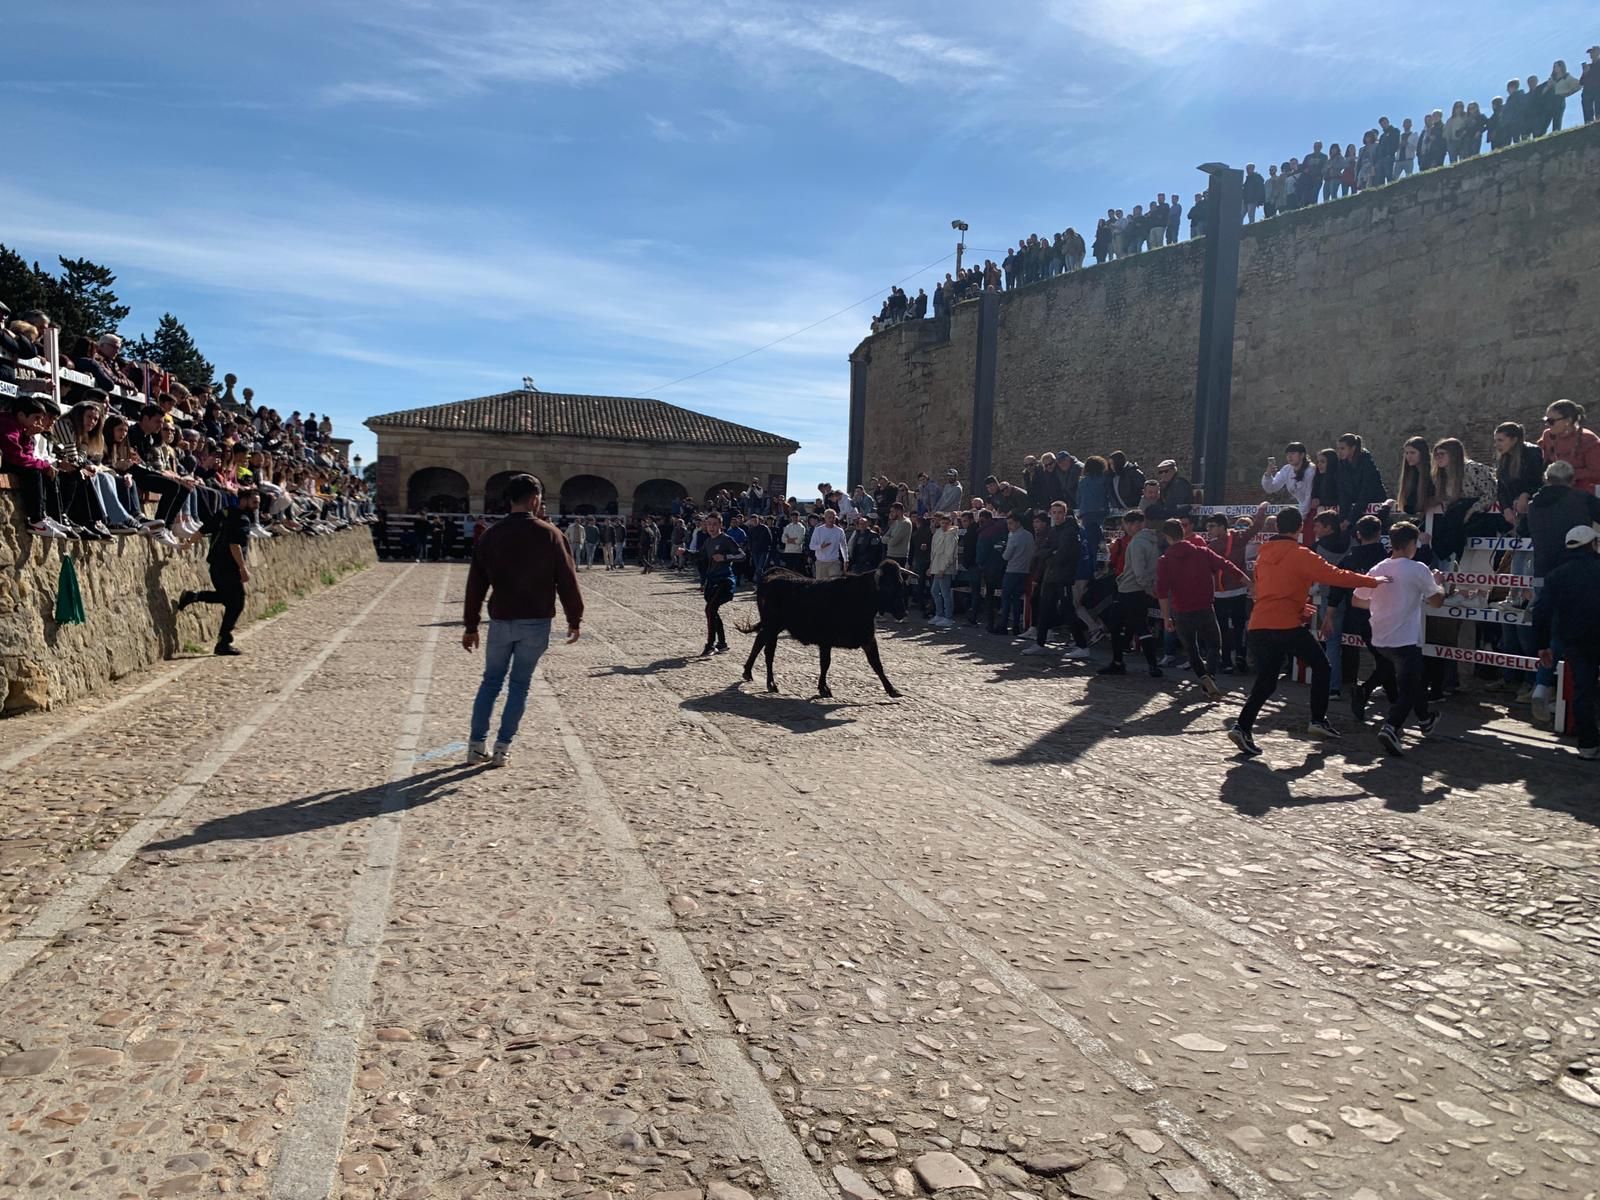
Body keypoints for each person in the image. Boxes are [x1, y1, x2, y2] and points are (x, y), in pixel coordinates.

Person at [1226, 506, 1384, 757]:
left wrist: (1299, 606)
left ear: (1278, 527)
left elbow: (1267, 590)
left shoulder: (1263, 554)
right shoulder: (1301, 554)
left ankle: (1242, 726)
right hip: (1285, 624)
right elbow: (1336, 575)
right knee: (1322, 666)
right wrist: (1373, 582)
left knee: (1266, 682)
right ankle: (1317, 720)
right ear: (1301, 528)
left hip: (1259, 623)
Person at [461, 474, 582, 767]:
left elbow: (475, 584)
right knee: (519, 685)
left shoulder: (490, 535)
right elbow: (567, 580)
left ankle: (476, 745)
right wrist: (574, 618)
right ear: (535, 499)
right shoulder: (551, 534)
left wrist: (471, 626)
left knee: (490, 682)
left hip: (501, 620)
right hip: (536, 621)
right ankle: (502, 748)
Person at [1352, 522, 1445, 755]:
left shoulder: (1377, 568)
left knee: (1412, 681)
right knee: (1409, 687)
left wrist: (1381, 604)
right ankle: (1391, 727)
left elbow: (1357, 600)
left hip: (1380, 637)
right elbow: (1436, 601)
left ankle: (1425, 720)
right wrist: (1440, 584)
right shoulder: (1418, 569)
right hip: (1405, 638)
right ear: (1412, 544)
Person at [1156, 518, 1247, 699]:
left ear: (1167, 537)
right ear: (1183, 533)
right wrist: (1249, 582)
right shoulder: (1202, 552)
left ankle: (1204, 677)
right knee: (1214, 645)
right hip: (1205, 607)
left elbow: (1162, 592)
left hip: (1181, 610)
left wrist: (1166, 617)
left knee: (1191, 649)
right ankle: (1210, 677)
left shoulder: (1164, 560)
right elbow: (1227, 566)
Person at [1535, 525, 1600, 760]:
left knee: (1583, 690)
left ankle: (1588, 745)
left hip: (1575, 640)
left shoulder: (1557, 575)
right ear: (1592, 544)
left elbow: (1540, 612)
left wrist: (1543, 645)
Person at [176, 487, 262, 656]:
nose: (257, 506)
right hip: (229, 566)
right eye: (254, 502)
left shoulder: (225, 512)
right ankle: (224, 641)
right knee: (237, 602)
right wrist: (243, 568)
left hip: (216, 565)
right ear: (243, 500)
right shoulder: (242, 519)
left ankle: (194, 596)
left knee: (228, 599)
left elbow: (203, 529)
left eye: (258, 503)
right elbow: (234, 545)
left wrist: (189, 543)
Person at [1024, 500, 1091, 659]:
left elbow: (1063, 554)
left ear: (1065, 513)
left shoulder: (1070, 531)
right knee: (1044, 608)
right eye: (1054, 512)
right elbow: (1043, 550)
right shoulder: (1053, 531)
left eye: (1060, 512)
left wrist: (1051, 554)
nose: (1057, 515)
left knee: (1068, 610)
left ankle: (1082, 645)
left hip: (1063, 576)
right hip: (1050, 575)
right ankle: (1040, 643)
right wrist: (1050, 554)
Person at [1100, 509, 1162, 676]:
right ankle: (1151, 665)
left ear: (1134, 524)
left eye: (1127, 524)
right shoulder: (1153, 541)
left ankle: (1119, 662)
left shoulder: (1136, 543)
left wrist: (1147, 588)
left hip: (1130, 589)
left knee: (1117, 625)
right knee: (1139, 625)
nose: (1126, 527)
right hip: (1142, 590)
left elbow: (1138, 571)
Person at [697, 512, 745, 656]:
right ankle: (722, 643)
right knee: (713, 612)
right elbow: (699, 556)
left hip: (725, 581)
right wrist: (684, 552)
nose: (711, 527)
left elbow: (742, 555)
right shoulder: (708, 542)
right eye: (709, 524)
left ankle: (710, 645)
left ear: (721, 525)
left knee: (710, 610)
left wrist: (725, 557)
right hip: (711, 582)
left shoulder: (726, 540)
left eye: (714, 524)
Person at [1538, 400, 1600, 495]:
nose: (1547, 424)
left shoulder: (1588, 440)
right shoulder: (1548, 436)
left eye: (1551, 421)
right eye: (1546, 420)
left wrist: (1568, 475)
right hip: (1556, 489)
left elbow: (1597, 472)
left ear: (1568, 420)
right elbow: (1544, 463)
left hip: (1586, 492)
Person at [998, 514, 1033, 637]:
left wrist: (1002, 550)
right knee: (1017, 600)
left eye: (1011, 523)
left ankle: (1003, 625)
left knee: (1006, 598)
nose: (1009, 526)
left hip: (1012, 570)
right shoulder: (1029, 535)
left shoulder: (1014, 537)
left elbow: (1006, 556)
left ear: (1018, 523)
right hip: (1025, 571)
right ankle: (1016, 626)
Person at [1261, 442, 1317, 514]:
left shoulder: (1311, 470)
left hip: (1314, 509)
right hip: (1303, 509)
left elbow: (1309, 496)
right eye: (1287, 454)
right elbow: (1271, 488)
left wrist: (1302, 516)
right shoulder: (1287, 469)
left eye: (1293, 453)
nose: (1289, 456)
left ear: (1302, 455)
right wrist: (1268, 474)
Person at [928, 511, 960, 627]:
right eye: (942, 523)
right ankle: (939, 614)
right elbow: (934, 552)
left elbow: (950, 554)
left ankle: (948, 617)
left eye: (946, 523)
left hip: (944, 569)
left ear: (950, 524)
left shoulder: (951, 536)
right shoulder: (938, 534)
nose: (944, 525)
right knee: (935, 591)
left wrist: (943, 568)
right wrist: (931, 567)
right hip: (936, 567)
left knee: (945, 593)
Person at [810, 508, 846, 579]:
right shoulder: (818, 530)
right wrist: (821, 546)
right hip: (821, 562)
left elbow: (844, 546)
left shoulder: (839, 531)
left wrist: (846, 559)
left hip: (834, 562)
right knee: (822, 587)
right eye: (829, 518)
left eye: (833, 518)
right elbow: (811, 546)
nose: (831, 520)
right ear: (825, 518)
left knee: (834, 585)